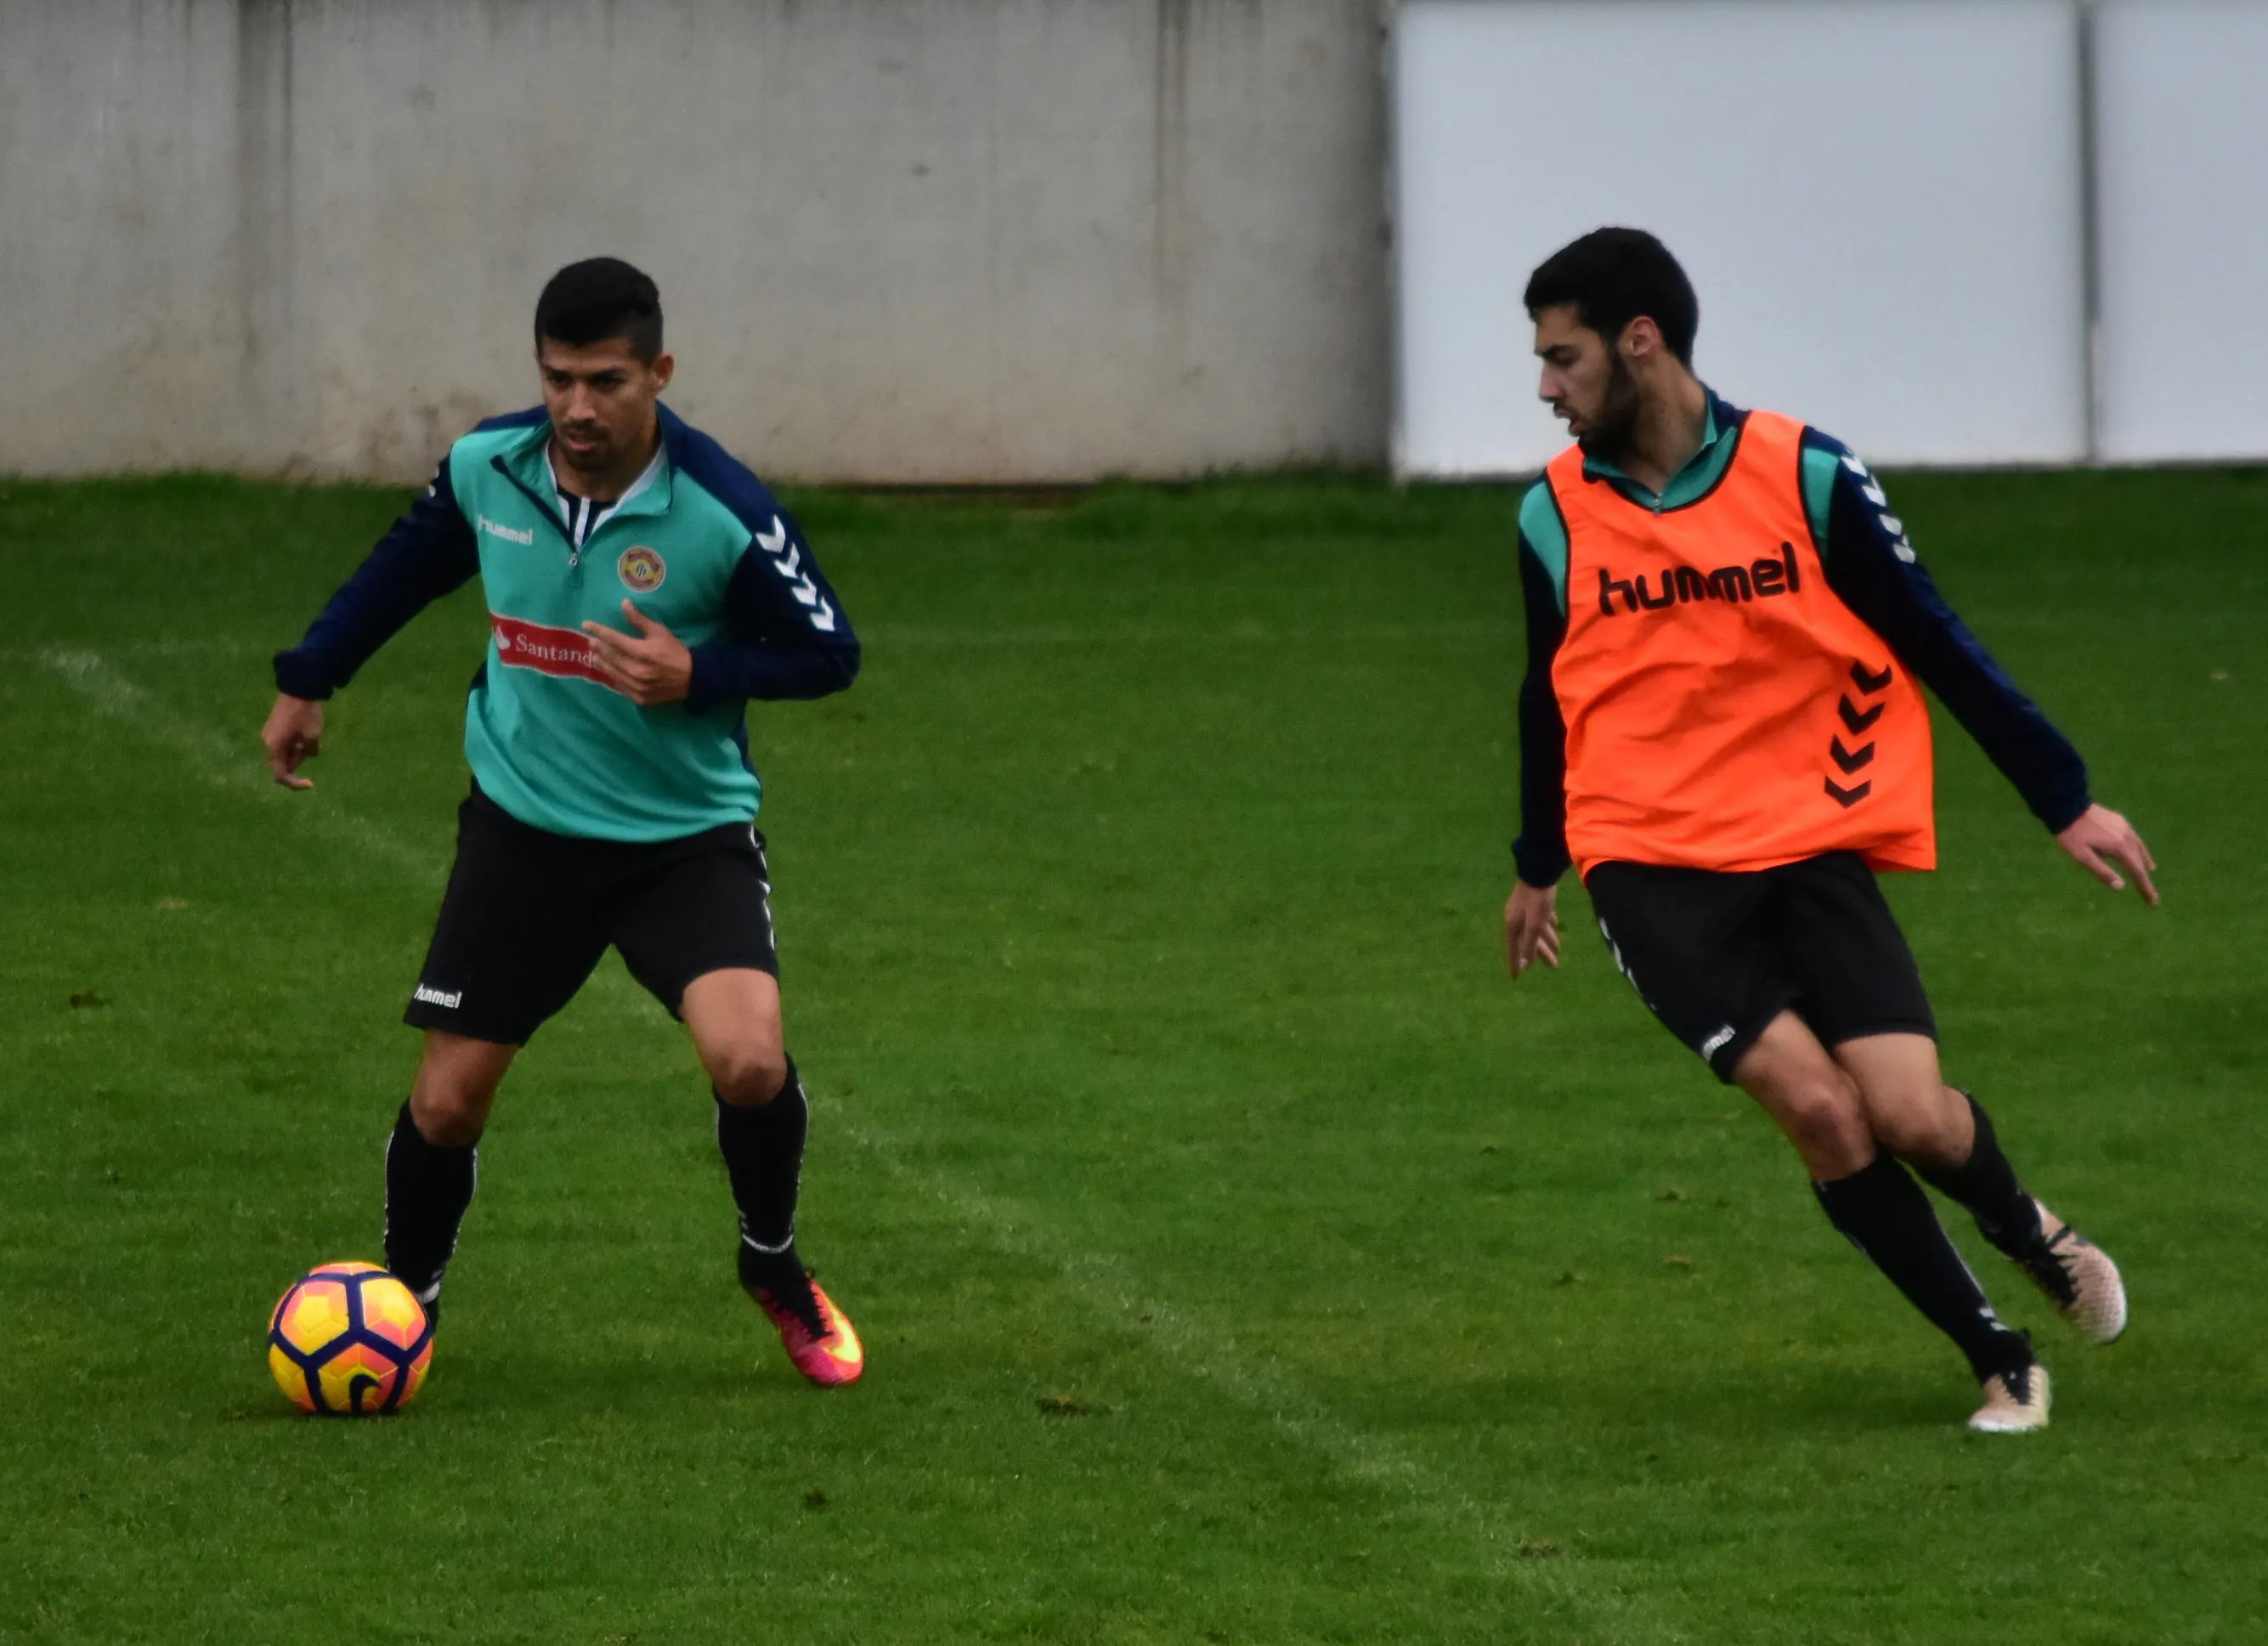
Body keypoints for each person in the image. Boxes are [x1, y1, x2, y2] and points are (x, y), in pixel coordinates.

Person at [1502, 228, 2153, 1432]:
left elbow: (1932, 636)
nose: (1546, 387)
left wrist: (2062, 796)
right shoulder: (1553, 515)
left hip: (1808, 844)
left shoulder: (1805, 473)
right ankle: (1999, 1356)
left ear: (1640, 342)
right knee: (1821, 1111)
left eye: (1564, 357)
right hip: (1651, 865)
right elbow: (1548, 697)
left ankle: (2028, 1230)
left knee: (1910, 1115)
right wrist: (1539, 863)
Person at [261, 257, 865, 1386]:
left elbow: (831, 652)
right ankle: (404, 1306)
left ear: (659, 373)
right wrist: (310, 676)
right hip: (524, 834)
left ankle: (772, 1262)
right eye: (558, 379)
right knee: (447, 1102)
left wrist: (702, 673)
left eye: (606, 382)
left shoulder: (723, 509)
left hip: (683, 839)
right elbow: (405, 568)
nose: (577, 408)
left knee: (748, 1061)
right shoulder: (489, 467)